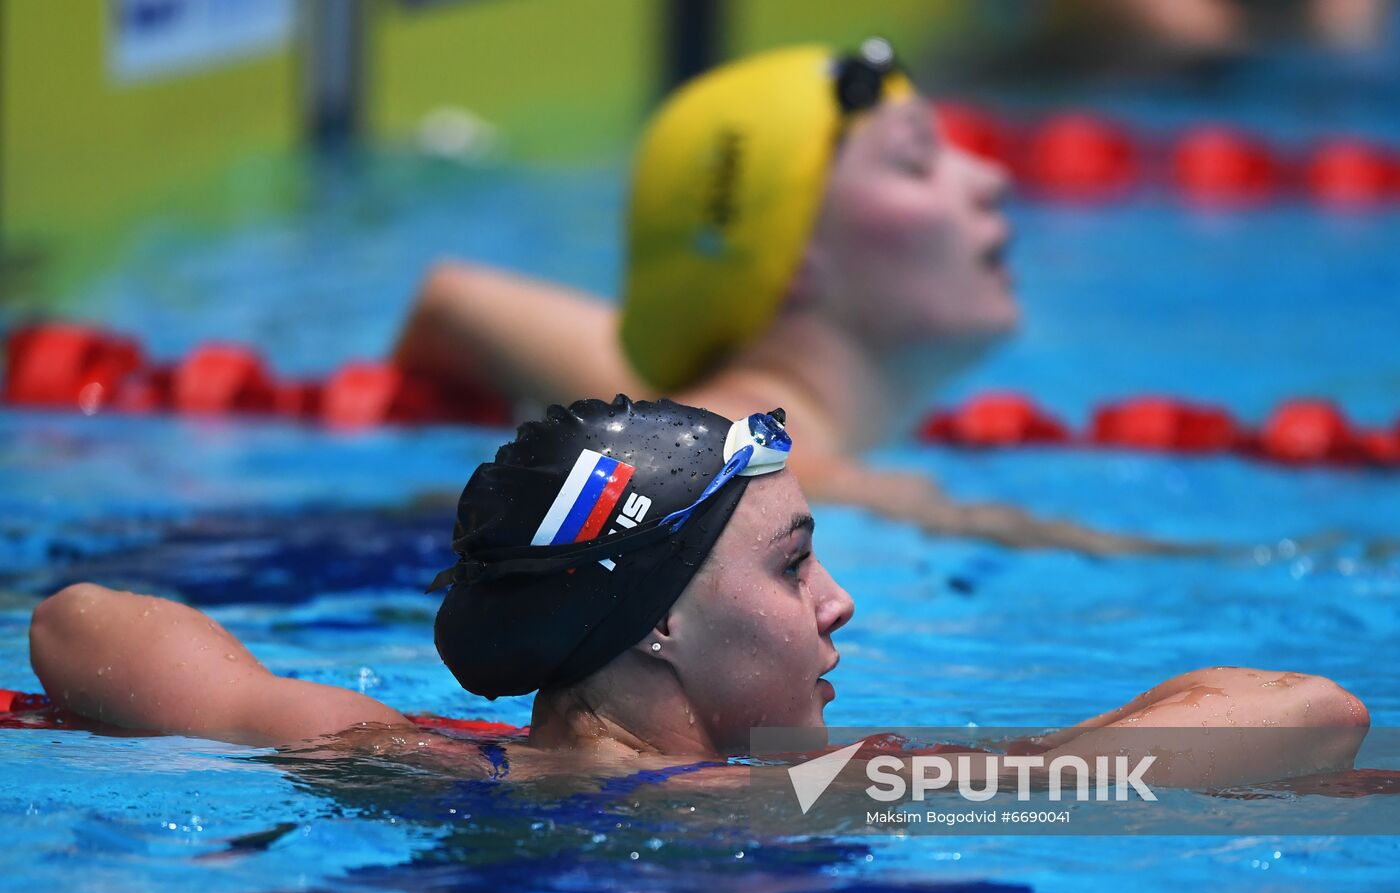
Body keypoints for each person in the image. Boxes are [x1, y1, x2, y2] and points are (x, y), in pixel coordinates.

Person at [28, 397, 1368, 788]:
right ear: (657, 621)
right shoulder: (773, 802)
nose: (840, 603)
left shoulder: (403, 758)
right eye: (793, 565)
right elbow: (1313, 715)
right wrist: (1046, 760)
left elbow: (75, 623)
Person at [392, 41, 1172, 556]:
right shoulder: (794, 488)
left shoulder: (697, 433)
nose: (991, 178)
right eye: (915, 162)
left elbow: (452, 300)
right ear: (790, 260)